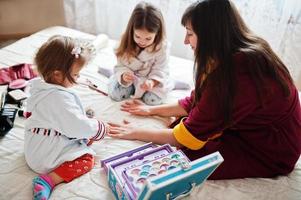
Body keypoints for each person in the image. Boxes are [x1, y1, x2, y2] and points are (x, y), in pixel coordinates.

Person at [108, 0, 301, 179]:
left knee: (182, 159)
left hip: (271, 150)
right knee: (180, 129)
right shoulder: (240, 52)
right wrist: (151, 110)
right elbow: (199, 99)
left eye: (190, 34)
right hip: (256, 128)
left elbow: (187, 137)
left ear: (211, 35)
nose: (185, 41)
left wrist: (136, 131)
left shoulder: (235, 72)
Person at [24, 35, 109, 200]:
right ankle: (48, 180)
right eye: (76, 75)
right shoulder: (59, 99)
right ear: (57, 75)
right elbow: (77, 126)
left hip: (34, 147)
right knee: (87, 159)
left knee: (83, 136)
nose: (77, 79)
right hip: (46, 157)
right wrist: (99, 128)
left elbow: (61, 118)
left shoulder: (39, 87)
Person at [108, 1, 170, 105]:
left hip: (150, 80)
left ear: (157, 33)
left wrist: (152, 82)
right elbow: (120, 65)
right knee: (116, 94)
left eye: (148, 38)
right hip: (131, 80)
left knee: (151, 100)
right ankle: (112, 77)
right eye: (137, 36)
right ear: (131, 30)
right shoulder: (125, 42)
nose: (142, 41)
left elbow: (160, 69)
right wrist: (124, 75)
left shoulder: (162, 47)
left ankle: (170, 83)